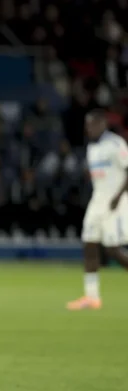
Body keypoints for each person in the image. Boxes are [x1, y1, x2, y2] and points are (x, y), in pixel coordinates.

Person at [67, 109, 128, 310]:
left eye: (92, 124)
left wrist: (118, 197)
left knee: (112, 250)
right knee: (89, 244)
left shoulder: (116, 144)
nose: (88, 128)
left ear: (102, 123)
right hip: (97, 202)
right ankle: (91, 297)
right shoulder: (92, 148)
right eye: (87, 125)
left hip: (115, 203)